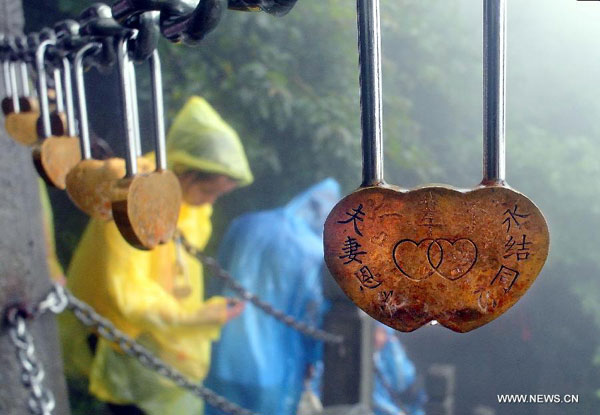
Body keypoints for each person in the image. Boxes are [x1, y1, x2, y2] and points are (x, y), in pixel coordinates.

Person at [60, 96, 253, 415]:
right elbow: (125, 293)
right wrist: (194, 319)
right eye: (208, 192)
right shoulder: (135, 195)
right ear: (187, 174)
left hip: (153, 335)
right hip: (117, 335)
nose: (209, 204)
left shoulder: (188, 207)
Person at [205, 178, 341, 415]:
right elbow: (314, 311)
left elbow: (217, 280)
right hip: (277, 365)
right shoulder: (314, 252)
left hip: (224, 351)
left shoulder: (245, 224)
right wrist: (313, 358)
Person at [373, 324, 426, 415]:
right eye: (376, 331)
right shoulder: (367, 359)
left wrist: (394, 348)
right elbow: (373, 397)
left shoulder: (391, 353)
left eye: (383, 332)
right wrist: (395, 412)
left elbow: (402, 383)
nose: (379, 337)